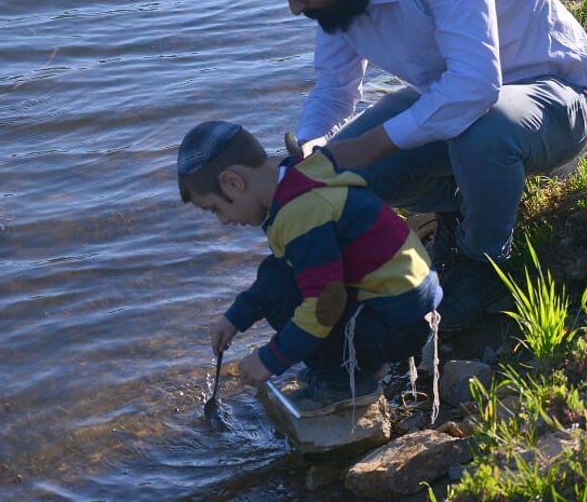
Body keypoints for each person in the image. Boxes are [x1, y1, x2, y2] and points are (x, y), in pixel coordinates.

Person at [234, 0, 587, 331]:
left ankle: (483, 263)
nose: (295, 8)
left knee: (479, 133)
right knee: (336, 178)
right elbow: (335, 88)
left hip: (556, 97)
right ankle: (463, 208)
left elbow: (475, 86)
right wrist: (315, 140)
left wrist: (373, 144)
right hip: (456, 105)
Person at [178, 120, 441, 417]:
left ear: (233, 182)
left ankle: (346, 383)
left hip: (399, 327)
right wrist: (236, 318)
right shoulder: (299, 177)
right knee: (277, 273)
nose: (223, 220)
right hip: (405, 309)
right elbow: (282, 270)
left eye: (216, 208)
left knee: (285, 298)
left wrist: (271, 358)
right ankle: (359, 362)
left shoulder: (299, 214)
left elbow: (325, 304)